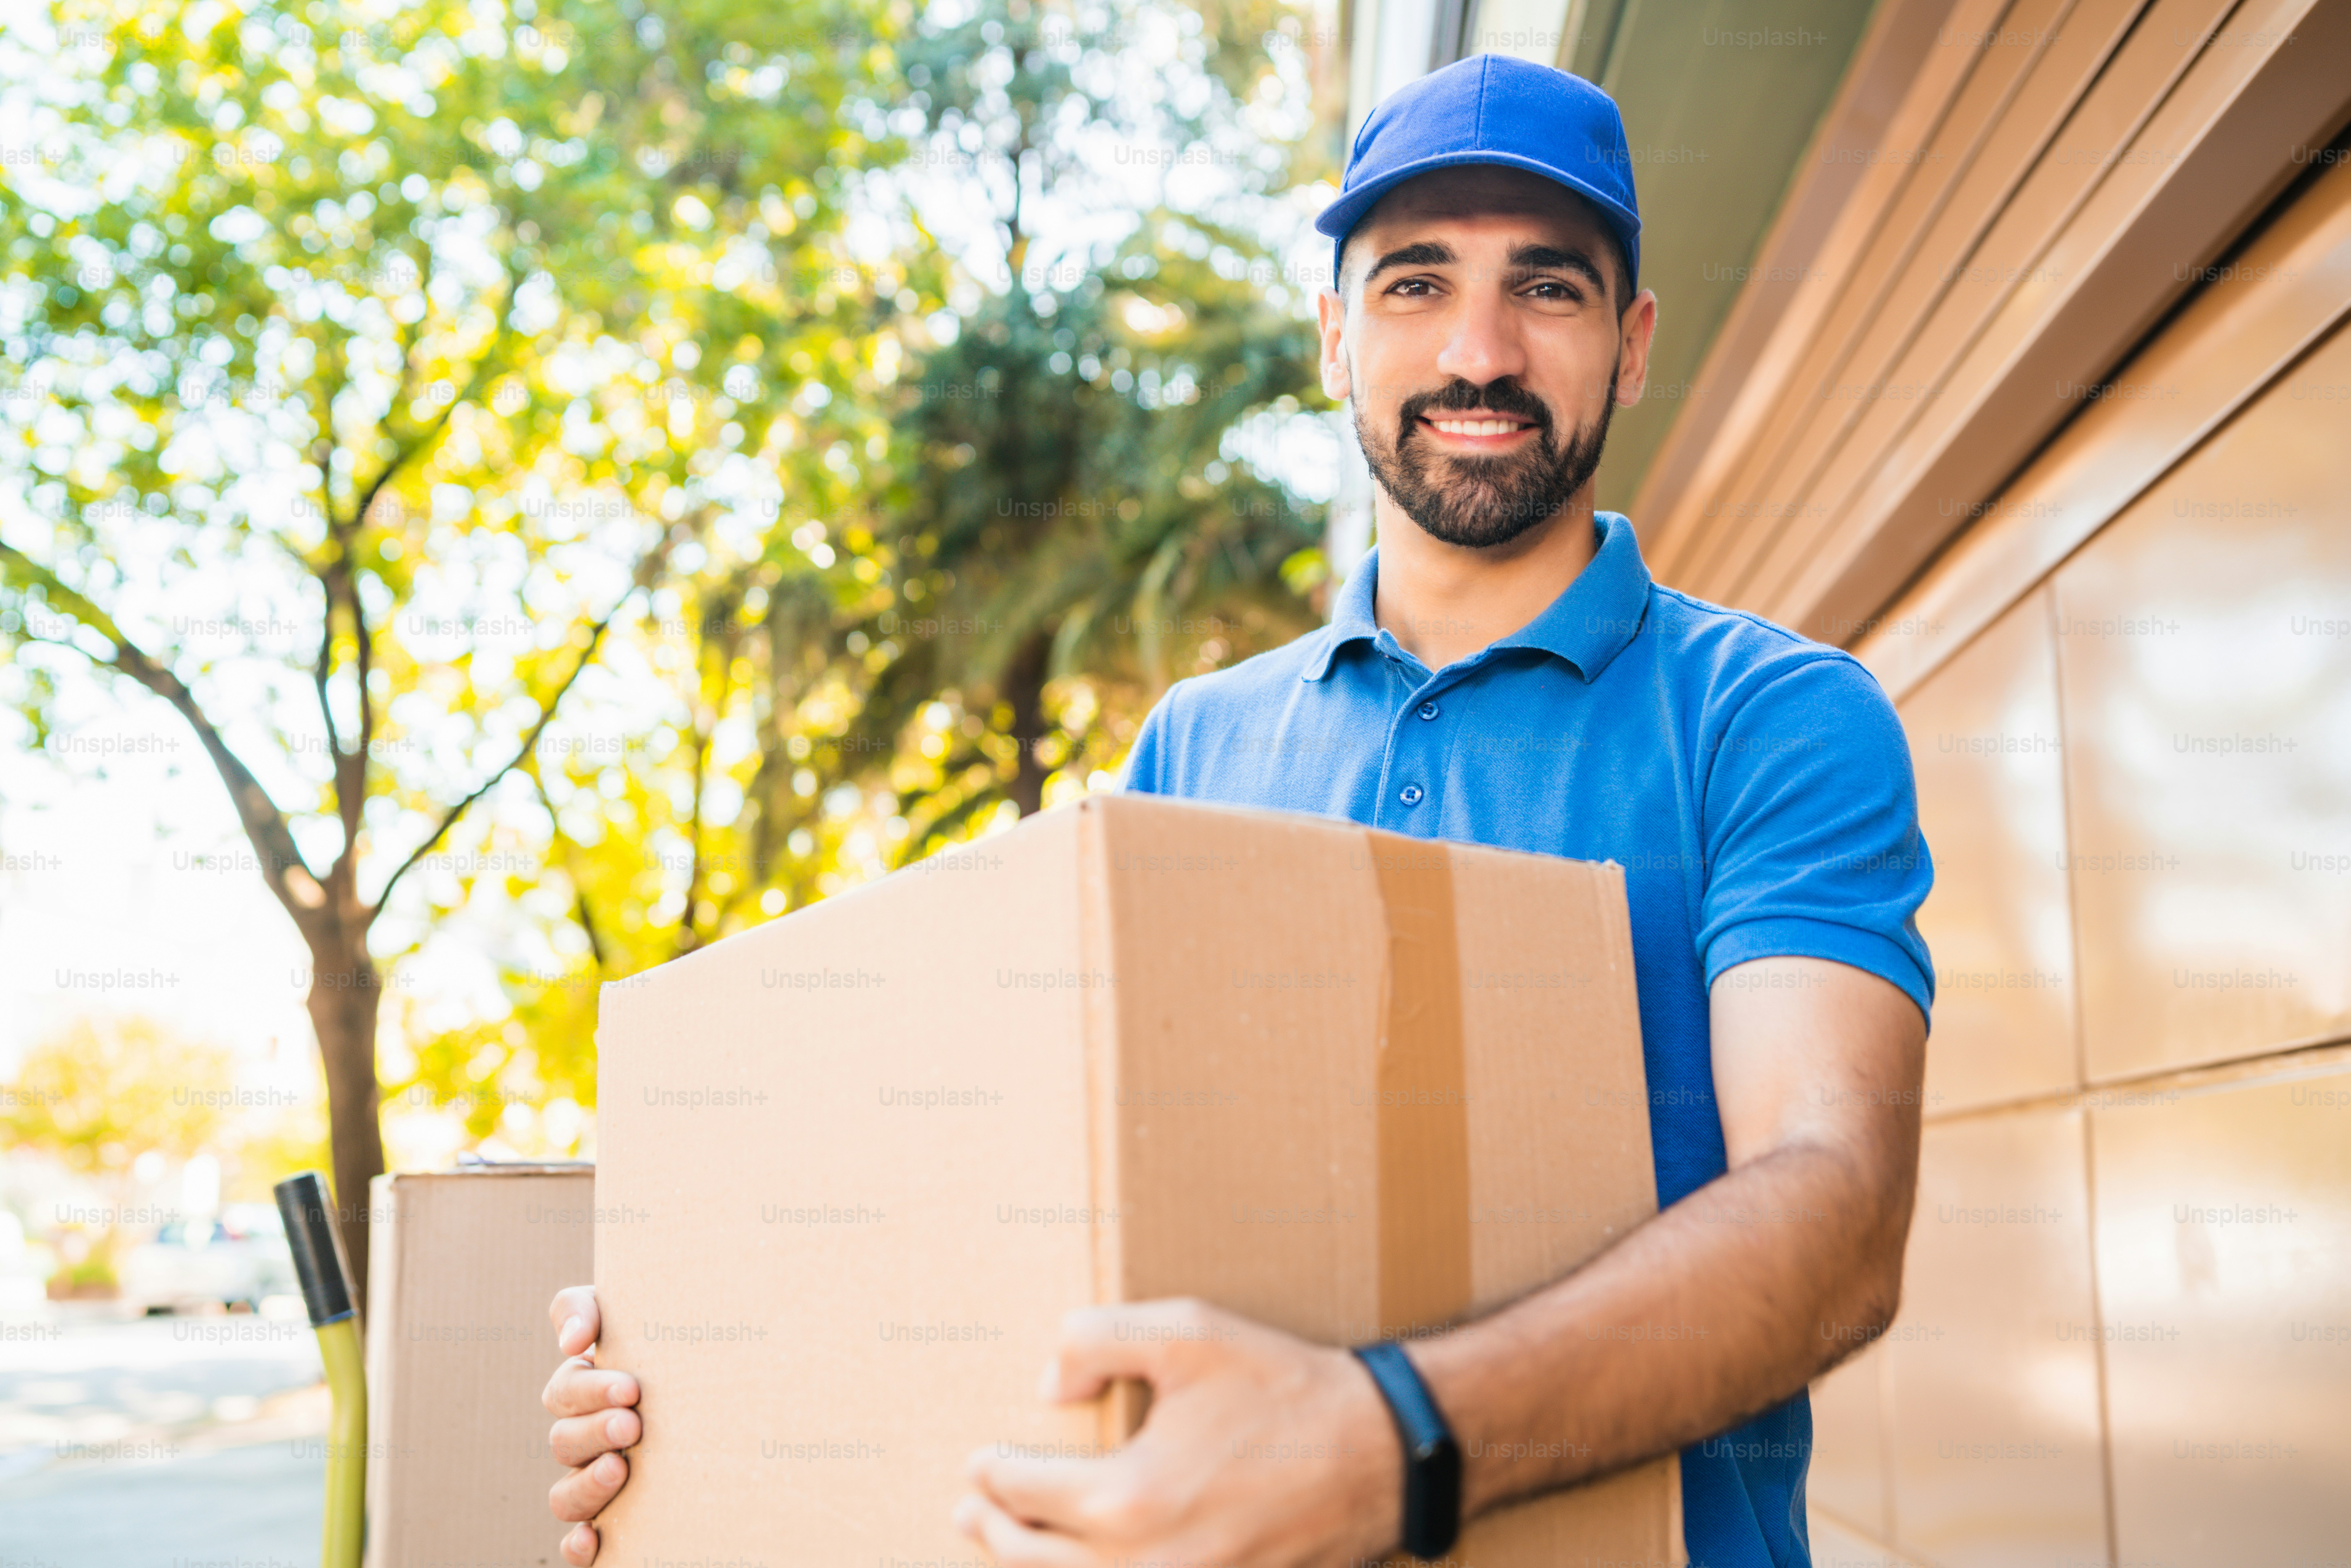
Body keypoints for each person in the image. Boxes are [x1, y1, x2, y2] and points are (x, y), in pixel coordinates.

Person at [539, 53, 1933, 1568]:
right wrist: (698, 1390)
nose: (1479, 350)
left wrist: (1378, 1442)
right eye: (1412, 285)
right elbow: (1034, 1234)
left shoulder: (1771, 717)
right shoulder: (1194, 749)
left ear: (1632, 342)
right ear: (1335, 335)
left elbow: (1836, 1221)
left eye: (1546, 288)